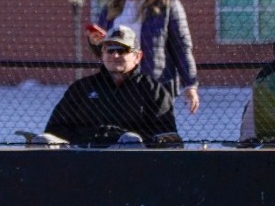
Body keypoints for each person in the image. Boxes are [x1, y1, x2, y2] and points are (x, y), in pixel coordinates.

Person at [85, 0, 200, 115]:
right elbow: (103, 51)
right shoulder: (113, 5)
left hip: (155, 84)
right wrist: (96, 41)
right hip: (116, 83)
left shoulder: (167, 6)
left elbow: (181, 47)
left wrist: (190, 85)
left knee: (154, 135)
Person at [44, 24, 176, 145]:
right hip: (85, 159)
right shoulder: (81, 88)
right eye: (109, 50)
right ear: (102, 54)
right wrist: (94, 138)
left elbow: (166, 136)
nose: (115, 55)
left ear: (138, 56)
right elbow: (55, 129)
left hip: (134, 162)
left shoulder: (153, 90)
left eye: (122, 50)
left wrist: (125, 139)